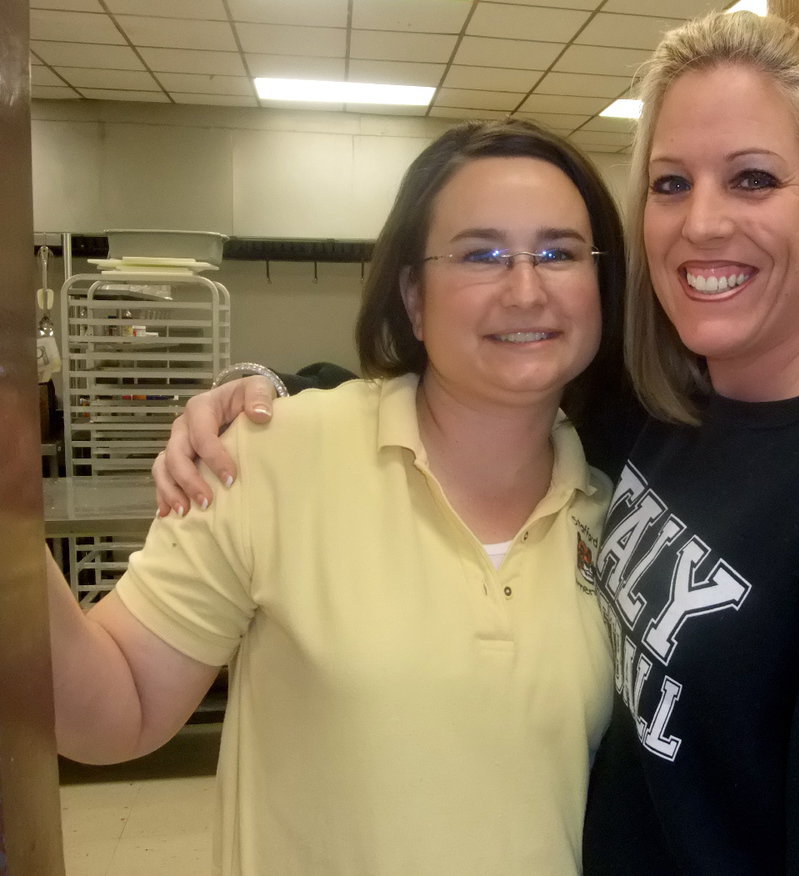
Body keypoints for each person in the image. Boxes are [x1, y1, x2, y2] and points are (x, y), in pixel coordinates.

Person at [154, 11, 799, 874]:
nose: (700, 223)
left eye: (753, 179)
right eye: (669, 184)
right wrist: (281, 396)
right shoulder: (670, 407)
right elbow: (492, 378)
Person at [45, 118, 630, 875]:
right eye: (481, 255)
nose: (527, 289)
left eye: (559, 253)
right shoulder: (273, 456)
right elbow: (115, 710)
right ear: (413, 298)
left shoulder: (620, 514)